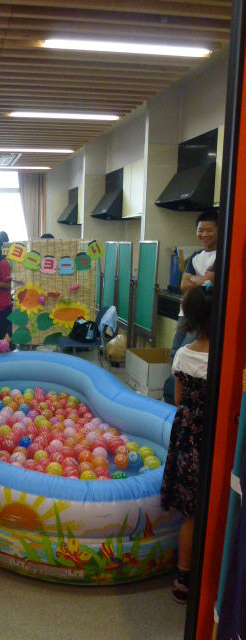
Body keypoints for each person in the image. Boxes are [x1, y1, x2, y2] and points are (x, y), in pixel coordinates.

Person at [160, 286, 211, 604]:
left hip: (186, 436)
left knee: (190, 515)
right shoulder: (222, 357)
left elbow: (178, 398)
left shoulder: (183, 355)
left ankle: (182, 578)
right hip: (211, 436)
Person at [164, 207, 218, 405]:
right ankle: (172, 398)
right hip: (184, 312)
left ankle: (185, 401)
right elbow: (184, 285)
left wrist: (196, 279)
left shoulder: (222, 255)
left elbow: (207, 281)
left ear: (219, 230)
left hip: (202, 315)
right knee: (175, 353)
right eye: (200, 230)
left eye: (209, 229)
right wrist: (201, 280)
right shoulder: (195, 256)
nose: (204, 234)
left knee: (187, 353)